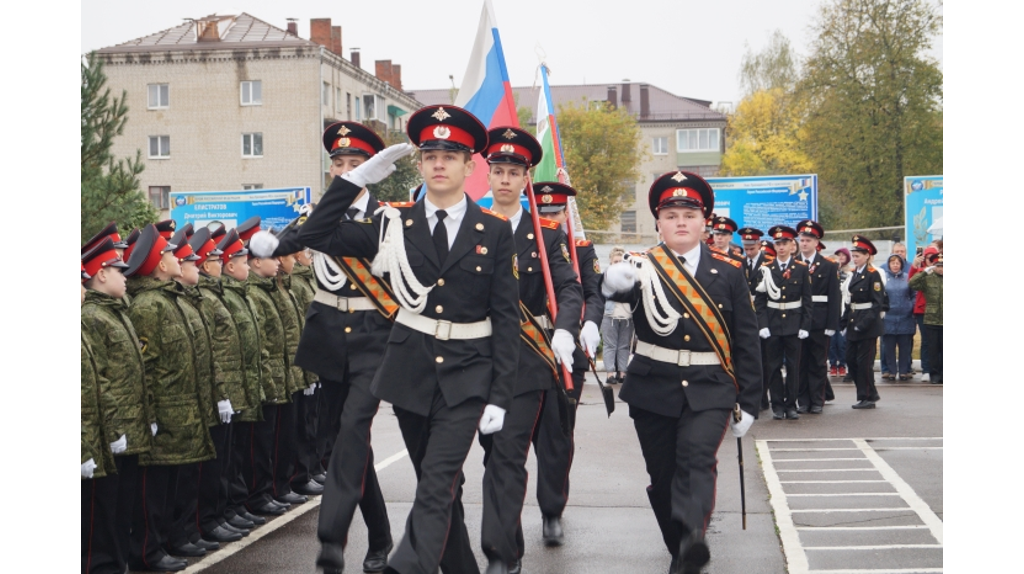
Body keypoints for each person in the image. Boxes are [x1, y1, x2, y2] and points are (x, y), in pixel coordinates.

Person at [297, 105, 520, 574]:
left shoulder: (495, 232)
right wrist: (354, 180)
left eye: (451, 154)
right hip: (412, 374)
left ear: (468, 166)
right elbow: (316, 233)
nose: (439, 163)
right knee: (441, 492)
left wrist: (501, 394)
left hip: (467, 375)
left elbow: (505, 319)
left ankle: (408, 564)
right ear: (419, 165)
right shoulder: (392, 224)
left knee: (437, 483)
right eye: (430, 154)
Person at [251, 121, 397, 574]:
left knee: (353, 429)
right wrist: (275, 243)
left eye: (356, 166)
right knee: (340, 442)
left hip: (374, 336)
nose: (346, 172)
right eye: (340, 165)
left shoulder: (388, 218)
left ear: (372, 171)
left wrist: (295, 237)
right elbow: (298, 239)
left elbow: (331, 238)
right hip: (329, 336)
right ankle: (380, 531)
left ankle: (334, 539)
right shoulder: (316, 216)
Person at [602, 171, 761, 574]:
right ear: (658, 221)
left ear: (704, 220)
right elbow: (616, 290)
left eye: (688, 214)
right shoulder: (640, 266)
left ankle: (694, 535)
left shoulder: (728, 270)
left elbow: (745, 340)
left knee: (696, 458)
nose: (680, 222)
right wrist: (610, 283)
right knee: (663, 475)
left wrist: (751, 401)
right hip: (653, 387)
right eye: (671, 214)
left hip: (710, 388)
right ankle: (681, 548)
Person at [471, 128, 583, 574]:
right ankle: (508, 540)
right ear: (488, 174)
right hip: (476, 360)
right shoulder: (470, 225)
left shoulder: (546, 234)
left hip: (526, 361)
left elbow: (569, 287)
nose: (503, 179)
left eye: (513, 172)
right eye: (497, 170)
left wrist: (566, 329)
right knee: (494, 456)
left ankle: (501, 555)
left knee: (507, 456)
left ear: (525, 179)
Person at [125, 224, 216, 572]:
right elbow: (144, 368)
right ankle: (148, 551)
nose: (178, 257)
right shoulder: (149, 305)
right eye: (169, 254)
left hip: (182, 409)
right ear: (160, 266)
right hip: (163, 413)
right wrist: (148, 414)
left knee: (174, 484)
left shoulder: (168, 299)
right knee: (155, 491)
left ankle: (172, 539)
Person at [527, 183, 604, 551]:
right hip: (524, 345)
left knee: (556, 433)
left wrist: (589, 324)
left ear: (566, 214)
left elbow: (593, 292)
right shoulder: (517, 240)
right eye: (543, 213)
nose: (550, 219)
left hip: (565, 351)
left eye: (556, 213)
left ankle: (551, 511)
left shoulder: (581, 250)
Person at [82, 239, 147, 574]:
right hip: (107, 432)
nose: (126, 276)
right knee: (103, 512)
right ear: (101, 273)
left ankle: (118, 563)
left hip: (127, 429)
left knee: (122, 508)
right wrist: (110, 430)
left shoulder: (114, 312)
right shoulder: (93, 317)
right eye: (118, 270)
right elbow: (97, 383)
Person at [213, 229, 270, 536]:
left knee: (234, 456)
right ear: (229, 266)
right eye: (243, 261)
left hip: (244, 388)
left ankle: (234, 506)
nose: (247, 266)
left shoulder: (237, 295)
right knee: (229, 458)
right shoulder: (225, 297)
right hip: (228, 392)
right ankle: (225, 509)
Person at [754, 225, 812, 420]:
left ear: (791, 245)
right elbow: (760, 301)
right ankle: (777, 405)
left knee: (794, 367)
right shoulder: (766, 269)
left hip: (794, 324)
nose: (781, 247)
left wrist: (805, 326)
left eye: (784, 243)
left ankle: (791, 405)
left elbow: (807, 300)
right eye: (777, 243)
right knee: (773, 366)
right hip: (772, 324)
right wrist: (762, 325)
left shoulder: (801, 269)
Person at [794, 220, 841, 414]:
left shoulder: (828, 266)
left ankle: (817, 400)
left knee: (818, 363)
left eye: (807, 240)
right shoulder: (793, 263)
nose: (804, 244)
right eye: (802, 240)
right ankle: (803, 400)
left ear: (816, 242)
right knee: (800, 362)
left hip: (820, 320)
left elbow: (834, 296)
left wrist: (832, 323)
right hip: (798, 320)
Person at [841, 236, 886, 409]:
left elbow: (877, 303)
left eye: (858, 255)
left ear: (867, 256)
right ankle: (869, 392)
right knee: (850, 359)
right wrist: (844, 322)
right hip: (854, 321)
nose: (855, 258)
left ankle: (867, 397)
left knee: (864, 362)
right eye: (854, 254)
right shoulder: (854, 274)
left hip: (867, 325)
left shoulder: (873, 275)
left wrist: (864, 323)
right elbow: (850, 301)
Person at [881, 254, 916, 381]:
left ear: (901, 264)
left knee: (905, 347)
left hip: (905, 317)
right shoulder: (883, 278)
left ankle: (903, 371)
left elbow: (914, 294)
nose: (895, 265)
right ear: (888, 265)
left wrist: (910, 307)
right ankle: (891, 371)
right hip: (888, 317)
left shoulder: (908, 278)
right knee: (889, 347)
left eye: (897, 263)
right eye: (892, 263)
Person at [909, 252, 942, 384]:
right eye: (938, 266)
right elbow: (912, 283)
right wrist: (924, 272)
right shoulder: (928, 278)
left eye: (943, 266)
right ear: (933, 266)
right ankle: (934, 375)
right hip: (931, 318)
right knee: (933, 348)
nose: (941, 269)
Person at [602, 246, 633, 384]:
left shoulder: (631, 278)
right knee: (610, 345)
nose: (618, 264)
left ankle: (622, 372)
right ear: (611, 262)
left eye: (621, 261)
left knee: (624, 345)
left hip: (627, 317)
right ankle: (610, 374)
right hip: (610, 315)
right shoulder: (606, 277)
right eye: (616, 261)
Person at [829, 248, 852, 381]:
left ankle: (842, 364)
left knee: (842, 341)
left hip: (843, 311)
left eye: (843, 256)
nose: (840, 258)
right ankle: (833, 364)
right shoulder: (830, 272)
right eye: (838, 256)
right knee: (832, 341)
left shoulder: (849, 274)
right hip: (832, 311)